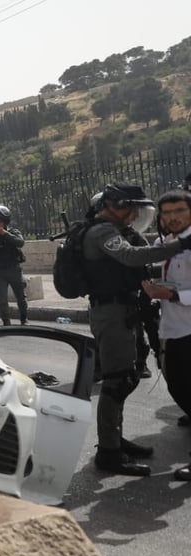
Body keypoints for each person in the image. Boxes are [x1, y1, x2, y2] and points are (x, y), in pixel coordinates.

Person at [82, 184, 191, 477]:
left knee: (128, 376)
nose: (135, 215)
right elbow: (132, 257)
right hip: (110, 312)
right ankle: (109, 452)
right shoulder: (101, 232)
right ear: (115, 205)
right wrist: (180, 245)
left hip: (124, 310)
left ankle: (115, 440)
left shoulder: (116, 230)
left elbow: (139, 261)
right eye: (131, 209)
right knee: (117, 380)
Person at [140, 189, 191, 482]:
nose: (173, 217)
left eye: (179, 211)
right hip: (172, 329)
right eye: (167, 212)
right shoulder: (169, 243)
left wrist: (170, 294)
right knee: (177, 387)